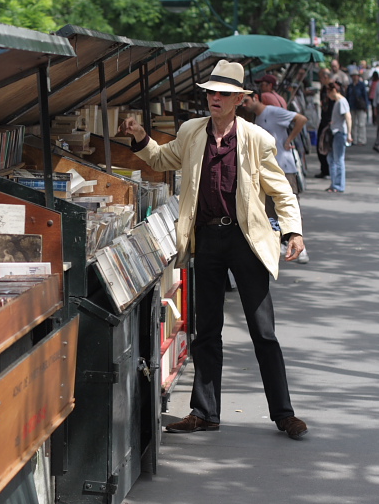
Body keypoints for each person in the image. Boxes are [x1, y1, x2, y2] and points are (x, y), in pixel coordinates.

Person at [117, 60, 308, 440]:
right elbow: (160, 159)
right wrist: (139, 135)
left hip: (245, 239)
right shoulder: (191, 132)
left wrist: (293, 231)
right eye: (210, 92)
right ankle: (204, 412)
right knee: (207, 330)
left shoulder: (256, 139)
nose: (214, 98)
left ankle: (284, 414)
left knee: (263, 331)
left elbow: (280, 190)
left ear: (239, 99)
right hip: (205, 239)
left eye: (222, 93)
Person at [240, 91, 309, 263]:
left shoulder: (272, 112)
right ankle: (280, 243)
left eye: (246, 100)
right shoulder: (256, 119)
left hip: (284, 166)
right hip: (267, 169)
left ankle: (300, 244)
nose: (244, 105)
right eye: (242, 102)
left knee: (290, 204)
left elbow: (301, 119)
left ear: (255, 97)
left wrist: (289, 140)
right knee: (270, 209)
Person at [325, 82, 352, 193]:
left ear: (334, 91)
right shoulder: (338, 102)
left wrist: (349, 133)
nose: (328, 95)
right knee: (331, 158)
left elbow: (348, 117)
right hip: (336, 132)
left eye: (328, 92)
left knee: (338, 159)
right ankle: (334, 183)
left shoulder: (342, 102)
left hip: (340, 133)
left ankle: (338, 185)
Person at [315, 68, 333, 179]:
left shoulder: (333, 88)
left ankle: (328, 170)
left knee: (326, 146)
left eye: (321, 77)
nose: (320, 80)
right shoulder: (324, 89)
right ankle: (324, 169)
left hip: (330, 121)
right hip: (324, 119)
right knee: (320, 145)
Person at [346, 66, 368, 146]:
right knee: (352, 124)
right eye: (353, 76)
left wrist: (366, 106)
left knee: (361, 124)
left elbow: (365, 96)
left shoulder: (361, 85)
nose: (355, 77)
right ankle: (353, 139)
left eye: (356, 75)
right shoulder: (350, 86)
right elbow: (348, 96)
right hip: (352, 106)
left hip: (360, 106)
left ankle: (361, 139)